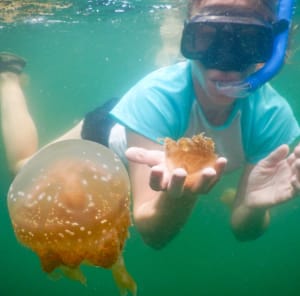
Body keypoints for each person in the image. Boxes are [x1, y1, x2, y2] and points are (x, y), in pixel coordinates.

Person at [1, 0, 300, 251]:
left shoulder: (272, 116)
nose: (223, 63)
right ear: (188, 34)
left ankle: (166, 50)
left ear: (271, 47)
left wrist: (254, 206)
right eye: (206, 37)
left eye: (247, 41)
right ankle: (7, 79)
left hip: (166, 108)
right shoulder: (154, 96)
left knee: (174, 86)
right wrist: (184, 196)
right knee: (23, 169)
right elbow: (152, 233)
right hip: (111, 131)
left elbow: (243, 229)